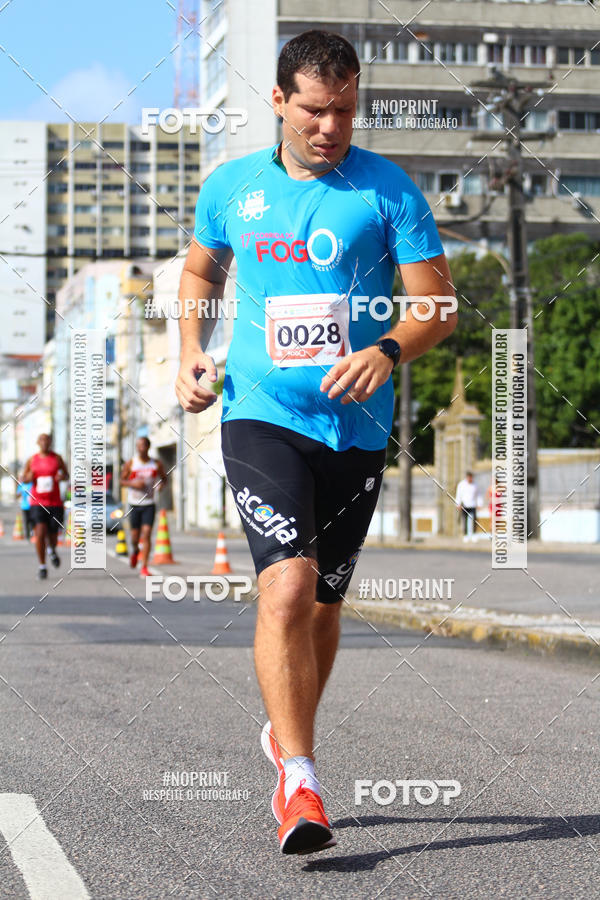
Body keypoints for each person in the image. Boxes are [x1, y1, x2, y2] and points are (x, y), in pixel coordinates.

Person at [175, 30, 457, 855]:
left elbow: (437, 304)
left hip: (357, 427)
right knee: (287, 591)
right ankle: (299, 778)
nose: (331, 126)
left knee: (326, 605)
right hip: (259, 412)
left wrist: (387, 349)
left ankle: (287, 731)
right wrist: (190, 355)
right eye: (313, 110)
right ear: (278, 102)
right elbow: (200, 273)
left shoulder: (388, 190)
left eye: (344, 110)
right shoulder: (232, 187)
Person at [21, 434, 69, 579]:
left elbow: (66, 475)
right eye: (41, 440)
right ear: (38, 443)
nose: (44, 443)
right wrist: (28, 477)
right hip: (37, 503)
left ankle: (52, 550)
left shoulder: (57, 458)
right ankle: (42, 566)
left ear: (50, 442)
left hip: (55, 503)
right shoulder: (32, 460)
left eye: (47, 440)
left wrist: (62, 477)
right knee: (40, 533)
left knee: (53, 536)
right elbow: (24, 478)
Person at [120, 437, 167, 577]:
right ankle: (135, 551)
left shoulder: (156, 464)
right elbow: (122, 481)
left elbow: (164, 478)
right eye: (138, 446)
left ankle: (144, 567)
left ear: (148, 447)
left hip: (149, 504)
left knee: (146, 534)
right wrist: (133, 484)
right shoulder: (131, 463)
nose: (140, 448)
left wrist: (161, 486)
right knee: (135, 537)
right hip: (134, 504)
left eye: (143, 446)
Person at [455, 471, 481, 542]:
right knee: (465, 520)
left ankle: (474, 534)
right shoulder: (461, 484)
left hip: (473, 504)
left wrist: (479, 504)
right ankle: (465, 535)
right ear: (467, 477)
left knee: (474, 520)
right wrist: (458, 504)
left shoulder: (475, 485)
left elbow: (478, 495)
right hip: (465, 505)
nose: (470, 479)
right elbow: (459, 494)